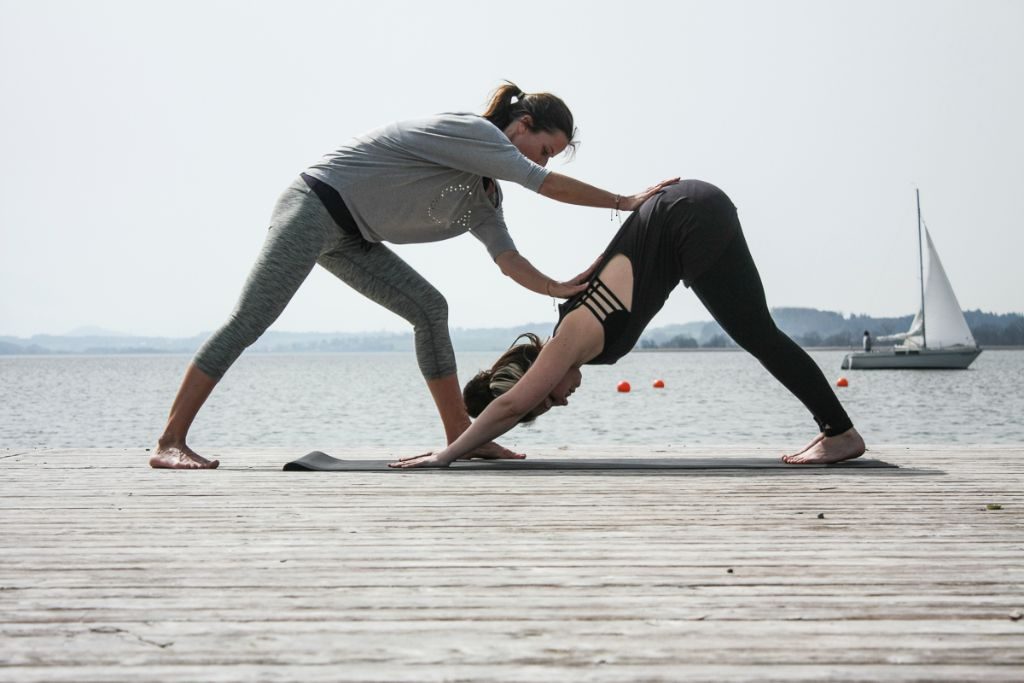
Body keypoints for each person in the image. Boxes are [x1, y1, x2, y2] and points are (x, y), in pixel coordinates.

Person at [151, 82, 678, 469]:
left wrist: (555, 286)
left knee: (430, 309)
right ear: (521, 127)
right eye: (543, 148)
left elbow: (507, 257)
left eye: (548, 155)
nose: (540, 160)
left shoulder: (484, 193)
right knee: (253, 317)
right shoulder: (473, 133)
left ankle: (461, 434)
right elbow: (542, 183)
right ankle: (170, 442)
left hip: (352, 236)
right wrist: (624, 202)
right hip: (314, 206)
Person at [391, 180, 867, 468]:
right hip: (687, 211)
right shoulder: (575, 325)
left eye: (551, 397)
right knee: (759, 333)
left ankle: (839, 433)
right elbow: (620, 255)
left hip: (689, 218)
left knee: (759, 335)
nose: (564, 398)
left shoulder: (570, 337)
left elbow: (513, 404)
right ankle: (836, 430)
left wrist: (447, 453)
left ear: (541, 376)